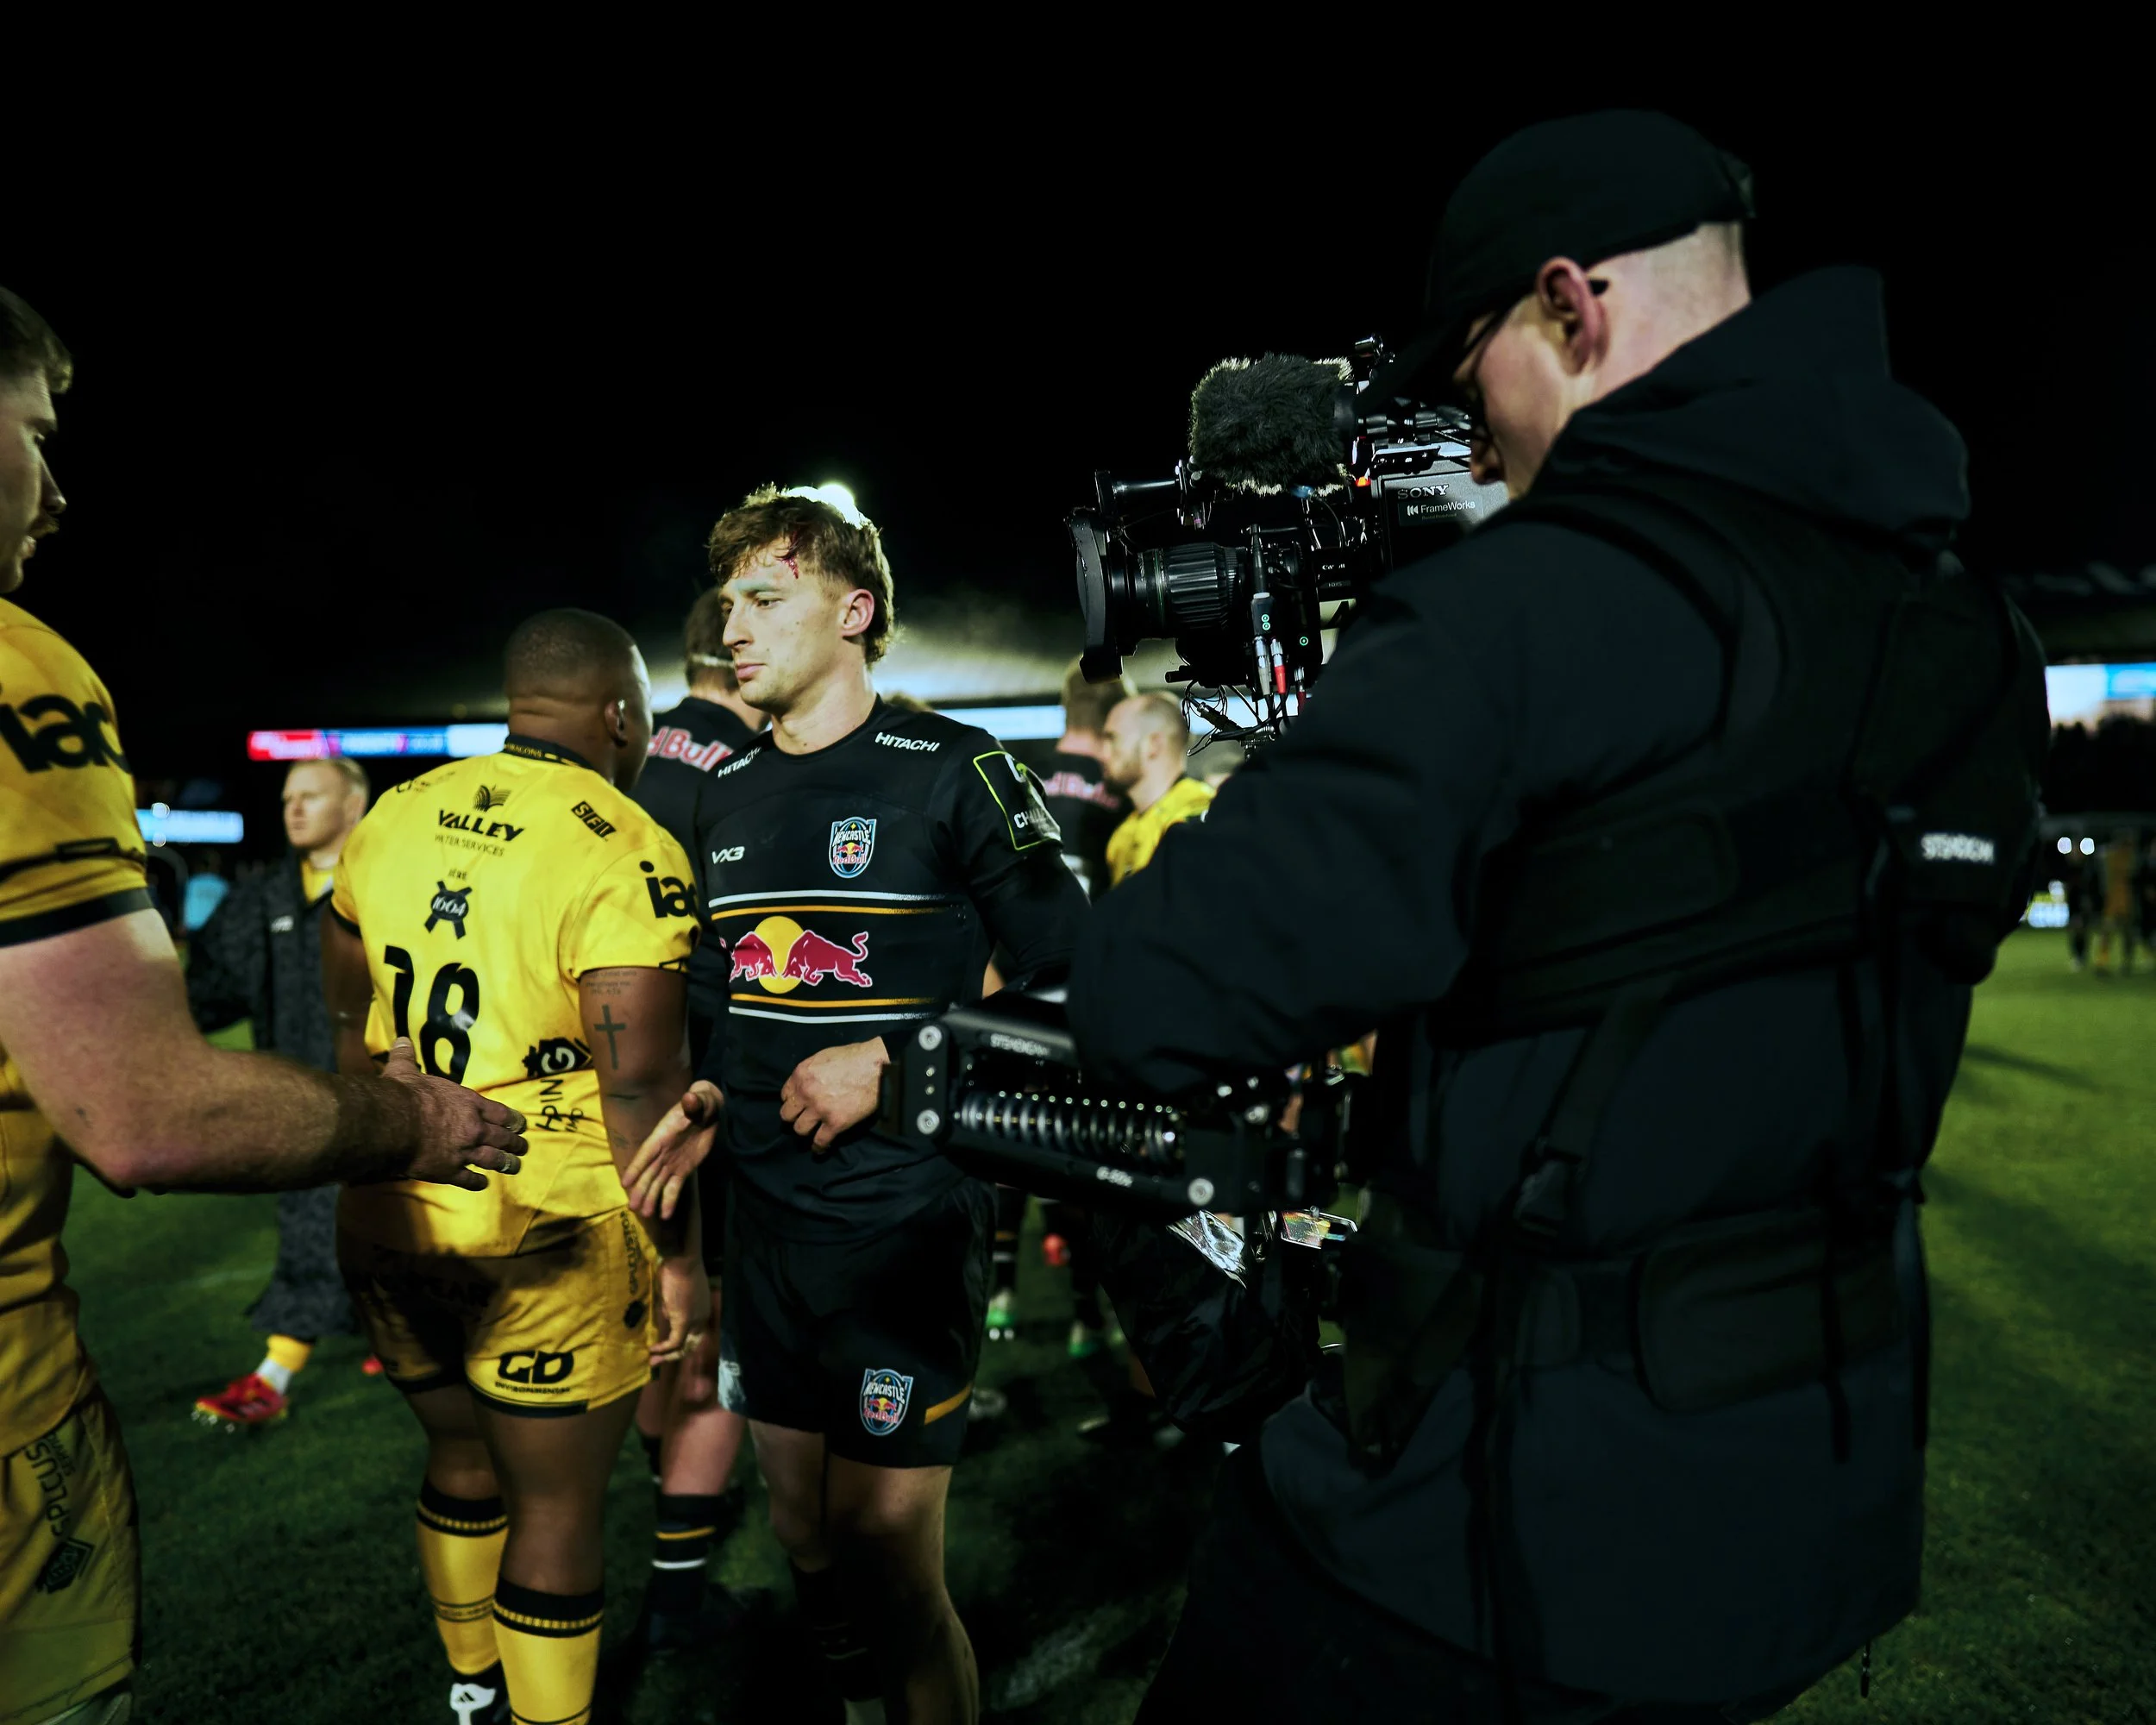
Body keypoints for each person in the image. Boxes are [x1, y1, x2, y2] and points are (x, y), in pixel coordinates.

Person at [1064, 112, 2047, 1722]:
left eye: (1475, 388)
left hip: (1486, 1526)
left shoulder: (1511, 615)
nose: (1482, 446)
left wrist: (1167, 766)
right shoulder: (1965, 627)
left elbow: (1163, 992)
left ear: (1572, 313)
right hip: (1810, 1473)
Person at [0, 287, 524, 1725]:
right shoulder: (18, 678)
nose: (55, 482)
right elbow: (142, 1109)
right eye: (35, 432)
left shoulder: (402, 871)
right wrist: (412, 1121)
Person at [621, 484, 1087, 1725]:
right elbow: (726, 995)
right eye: (729, 604)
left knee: (888, 1556)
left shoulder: (954, 770)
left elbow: (1077, 979)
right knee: (802, 1533)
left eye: (768, 599)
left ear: (856, 610)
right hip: (764, 1240)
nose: (737, 626)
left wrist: (897, 1058)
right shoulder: (721, 795)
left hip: (901, 1229)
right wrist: (713, 1090)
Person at [324, 609, 706, 1725]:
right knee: (555, 1508)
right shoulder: (620, 841)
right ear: (621, 714)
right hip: (554, 1218)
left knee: (457, 1457)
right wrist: (678, 1262)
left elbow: (349, 1021)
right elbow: (640, 1096)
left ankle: (469, 1690)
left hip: (393, 1198)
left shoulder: (396, 814)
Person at [624, 589, 767, 1651]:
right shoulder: (746, 771)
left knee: (642, 1318)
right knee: (713, 1328)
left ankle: (654, 1508)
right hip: (695, 1080)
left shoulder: (622, 759)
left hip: (590, 1082)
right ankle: (677, 1584)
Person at [187, 756, 377, 1431]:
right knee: (312, 1218)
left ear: (353, 807)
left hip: (391, 1093)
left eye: (310, 795)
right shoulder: (264, 897)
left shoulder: (390, 885)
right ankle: (277, 1372)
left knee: (411, 1222)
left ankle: (400, 1332)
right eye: (288, 796)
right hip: (302, 1100)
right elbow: (202, 988)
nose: (293, 808)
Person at [1100, 693, 1214, 889]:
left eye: (1113, 739)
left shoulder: (1202, 818)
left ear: (1154, 744)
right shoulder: (1121, 837)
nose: (1103, 753)